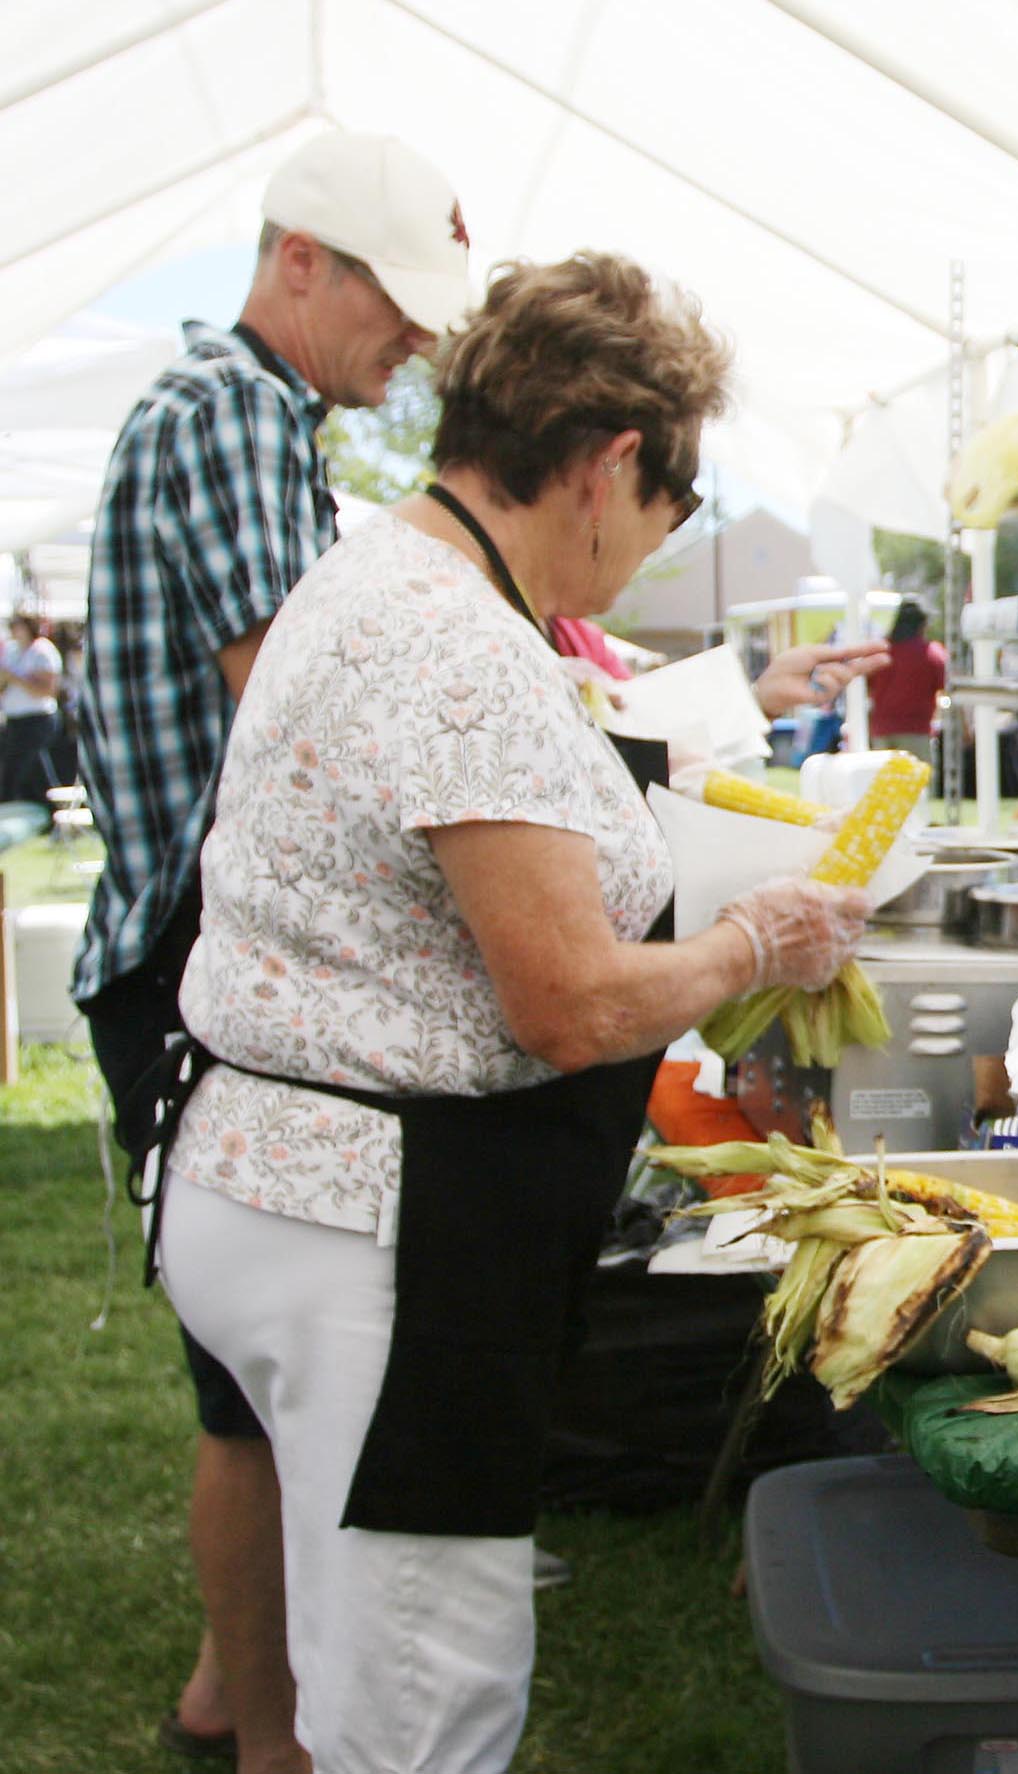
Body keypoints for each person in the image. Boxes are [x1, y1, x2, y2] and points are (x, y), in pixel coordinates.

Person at [146, 250, 870, 1771]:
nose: (647, 560)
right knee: (427, 1687)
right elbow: (566, 1003)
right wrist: (754, 939)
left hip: (270, 1168)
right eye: (667, 516)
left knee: (364, 1641)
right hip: (380, 1219)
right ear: (611, 465)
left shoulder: (390, 571)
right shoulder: (456, 644)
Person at [73, 128, 468, 1773]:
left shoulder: (248, 413)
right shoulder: (232, 410)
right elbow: (299, 703)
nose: (417, 341)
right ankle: (272, 1735)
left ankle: (232, 1690)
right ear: (298, 259)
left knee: (264, 1368)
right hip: (199, 957)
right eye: (398, 299)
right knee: (257, 1385)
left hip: (183, 942)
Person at [866, 598, 947, 763]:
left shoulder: (880, 650)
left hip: (881, 730)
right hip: (915, 731)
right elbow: (947, 686)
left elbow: (867, 685)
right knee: (917, 785)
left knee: (884, 784)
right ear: (923, 624)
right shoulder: (931, 654)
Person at [1, 612, 62, 804]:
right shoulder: (11, 650)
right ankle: (50, 809)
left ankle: (8, 804)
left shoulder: (42, 651)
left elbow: (47, 691)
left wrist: (14, 678)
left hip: (38, 719)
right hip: (14, 719)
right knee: (36, 772)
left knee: (15, 769)